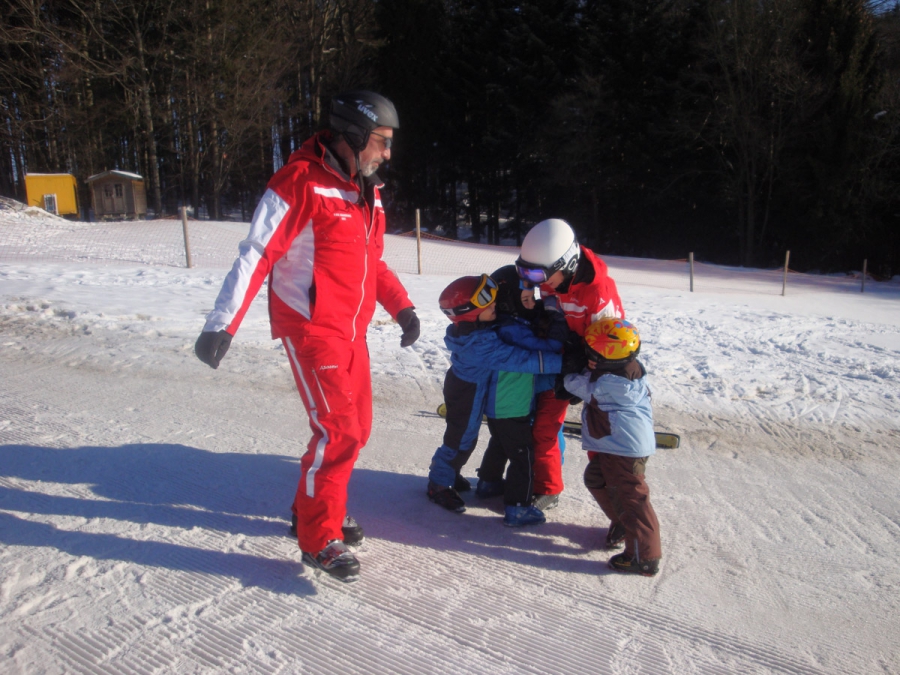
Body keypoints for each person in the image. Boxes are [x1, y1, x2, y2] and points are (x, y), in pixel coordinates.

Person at [193, 90, 420, 583]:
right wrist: (222, 323)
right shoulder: (298, 181)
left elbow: (370, 262)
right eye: (381, 142)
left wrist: (402, 308)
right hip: (312, 329)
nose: (386, 153)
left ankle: (314, 509)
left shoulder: (367, 192)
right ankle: (318, 538)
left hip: (352, 331)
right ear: (355, 136)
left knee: (357, 429)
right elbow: (257, 252)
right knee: (337, 430)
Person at [428, 274, 562, 526]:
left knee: (468, 439)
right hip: (466, 392)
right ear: (469, 314)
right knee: (461, 440)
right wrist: (567, 364)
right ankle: (438, 482)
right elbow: (524, 361)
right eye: (488, 306)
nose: (495, 308)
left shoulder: (477, 330)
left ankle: (452, 472)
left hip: (467, 386)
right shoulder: (479, 345)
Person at [515, 218, 625, 511]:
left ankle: (619, 510)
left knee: (599, 439)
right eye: (531, 275)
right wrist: (528, 288)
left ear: (566, 265)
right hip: (564, 357)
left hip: (599, 366)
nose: (540, 284)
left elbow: (611, 349)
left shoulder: (599, 295)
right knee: (543, 427)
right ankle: (548, 489)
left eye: (542, 278)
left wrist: (586, 377)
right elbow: (538, 277)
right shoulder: (553, 271)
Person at [562, 318, 661, 576]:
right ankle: (622, 524)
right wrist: (594, 365)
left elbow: (574, 384)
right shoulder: (628, 367)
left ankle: (643, 557)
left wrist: (573, 367)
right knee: (595, 478)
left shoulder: (608, 385)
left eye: (593, 352)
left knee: (633, 500)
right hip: (618, 445)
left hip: (624, 449)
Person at [474, 265, 569, 499]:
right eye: (525, 299)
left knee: (501, 441)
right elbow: (551, 349)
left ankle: (488, 482)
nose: (533, 304)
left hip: (509, 401)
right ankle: (519, 502)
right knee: (522, 451)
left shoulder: (512, 322)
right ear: (509, 302)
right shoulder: (511, 329)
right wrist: (556, 316)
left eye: (533, 298)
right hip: (517, 402)